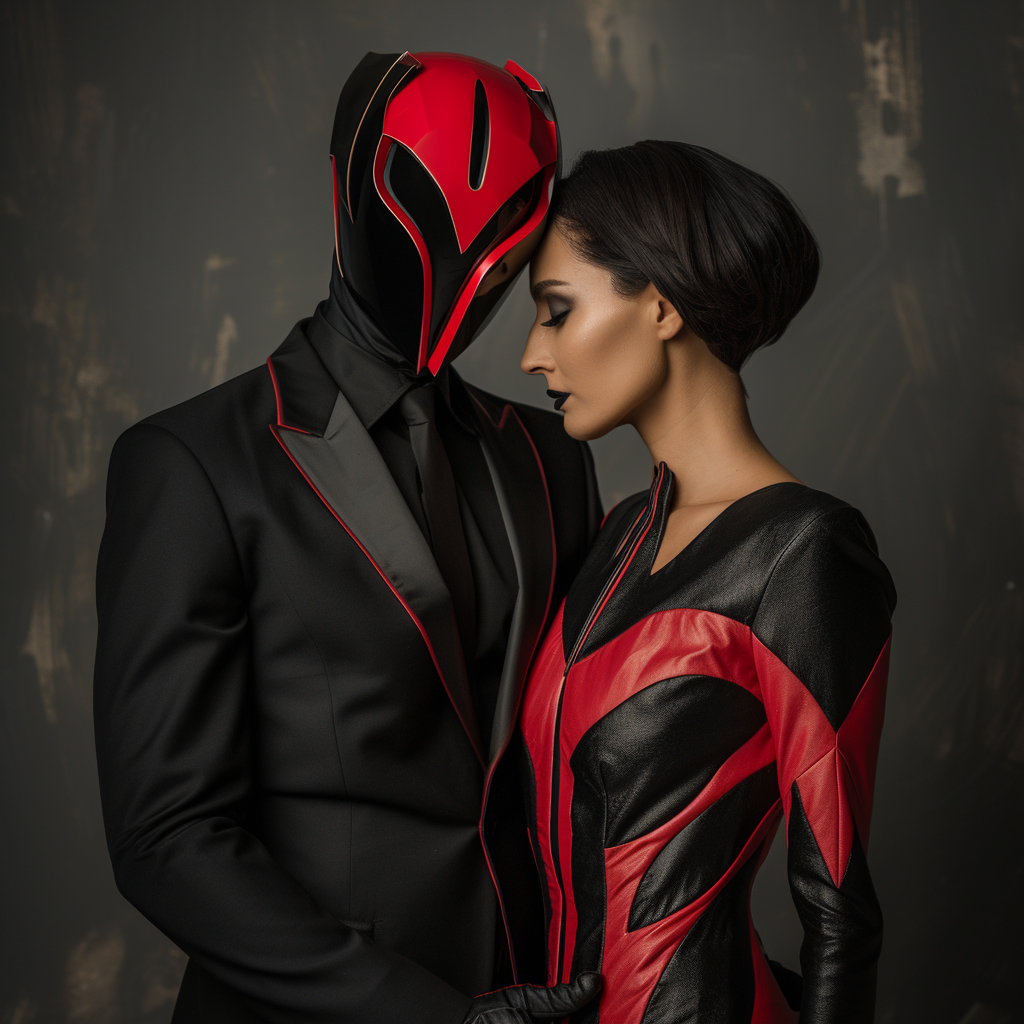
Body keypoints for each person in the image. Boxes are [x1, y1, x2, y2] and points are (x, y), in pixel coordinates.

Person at [93, 52, 603, 1024]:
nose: (476, 268)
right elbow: (168, 836)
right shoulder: (193, 464)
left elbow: (580, 757)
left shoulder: (549, 456)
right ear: (355, 189)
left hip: (544, 994)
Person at [518, 141, 896, 1023]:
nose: (533, 354)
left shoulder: (805, 551)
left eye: (556, 310)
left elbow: (839, 913)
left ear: (658, 305)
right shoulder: (616, 537)